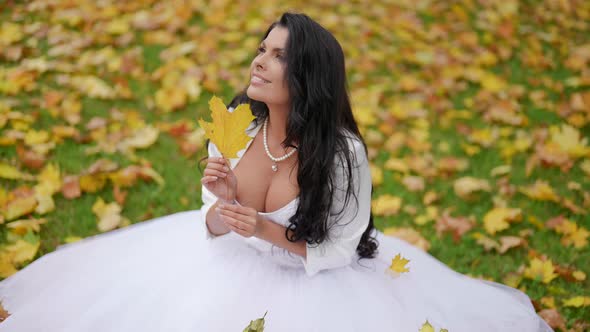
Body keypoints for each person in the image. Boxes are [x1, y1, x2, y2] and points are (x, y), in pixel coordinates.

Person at [0, 12, 552, 332]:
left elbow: (340, 245)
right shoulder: (240, 121)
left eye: (278, 55)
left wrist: (263, 227)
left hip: (319, 285)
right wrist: (220, 204)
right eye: (260, 49)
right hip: (223, 263)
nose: (259, 61)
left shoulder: (343, 154)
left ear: (309, 74)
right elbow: (210, 219)